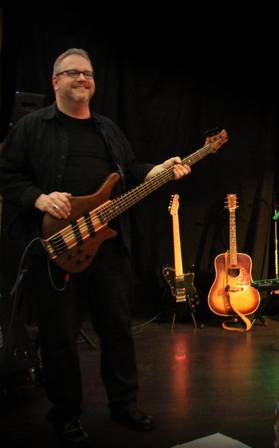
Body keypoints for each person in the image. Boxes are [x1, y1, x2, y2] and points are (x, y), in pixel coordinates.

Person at [0, 48, 190, 447]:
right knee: (59, 337)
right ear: (55, 81)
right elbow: (8, 175)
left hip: (106, 249)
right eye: (73, 73)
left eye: (87, 73)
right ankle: (66, 414)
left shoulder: (107, 129)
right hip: (57, 248)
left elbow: (128, 173)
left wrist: (157, 171)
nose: (82, 79)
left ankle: (125, 405)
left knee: (117, 329)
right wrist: (39, 198)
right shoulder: (32, 127)